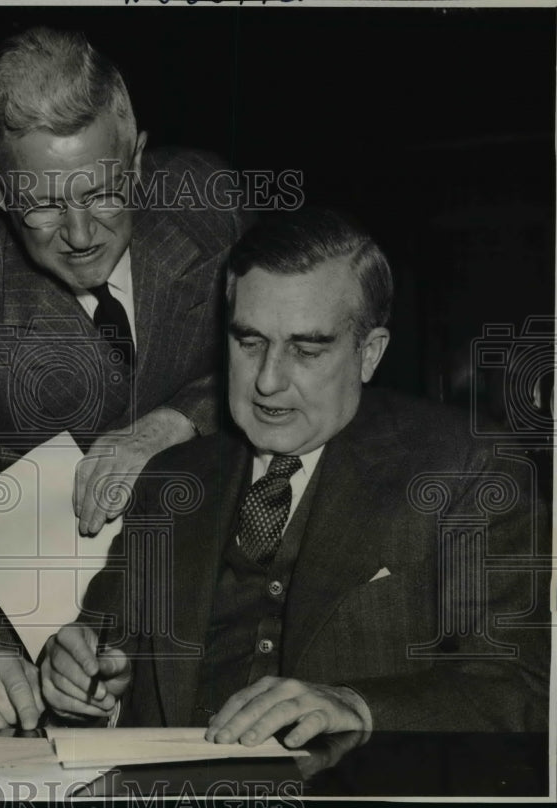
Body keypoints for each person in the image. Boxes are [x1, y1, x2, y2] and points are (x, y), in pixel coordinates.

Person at [41, 208, 550, 741]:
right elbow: (100, 650)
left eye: (306, 350)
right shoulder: (171, 479)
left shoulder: (467, 470)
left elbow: (517, 689)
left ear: (369, 354)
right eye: (249, 342)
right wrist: (82, 680)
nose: (267, 380)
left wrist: (355, 705)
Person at [0, 26, 248, 731]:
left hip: (228, 591)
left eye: (104, 191)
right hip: (66, 641)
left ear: (139, 157)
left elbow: (285, 366)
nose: (82, 233)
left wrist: (172, 423)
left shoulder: (210, 203)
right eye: (45, 205)